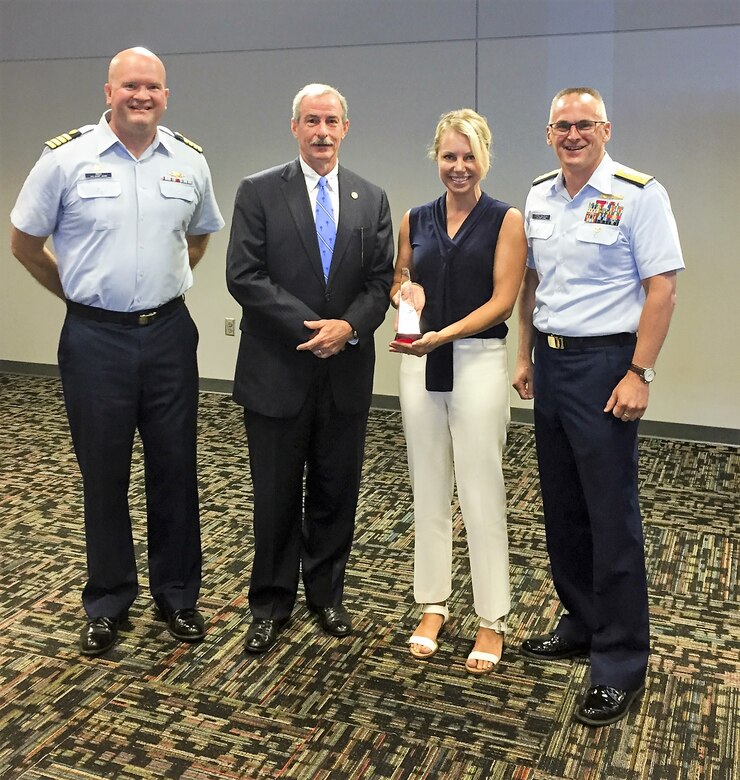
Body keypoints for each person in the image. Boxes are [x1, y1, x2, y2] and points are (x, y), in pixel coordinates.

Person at [10, 47, 224, 656]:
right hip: (93, 339)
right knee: (103, 473)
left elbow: (200, 235)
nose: (142, 96)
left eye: (152, 87)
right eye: (130, 85)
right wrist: (76, 296)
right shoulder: (65, 159)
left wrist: (166, 285)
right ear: (108, 91)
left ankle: (178, 595)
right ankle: (107, 600)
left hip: (168, 335)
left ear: (165, 94)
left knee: (175, 470)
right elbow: (24, 242)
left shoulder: (189, 160)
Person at [513, 87, 684, 725]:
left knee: (612, 516)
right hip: (554, 364)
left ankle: (619, 660)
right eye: (563, 126)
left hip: (609, 366)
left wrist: (640, 372)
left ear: (605, 129)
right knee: (563, 509)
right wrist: (527, 356)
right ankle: (581, 623)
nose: (574, 134)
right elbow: (533, 284)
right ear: (549, 132)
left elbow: (661, 289)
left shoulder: (640, 194)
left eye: (585, 124)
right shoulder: (538, 195)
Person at [226, 83, 394, 655]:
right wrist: (313, 327)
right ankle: (270, 603)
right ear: (294, 127)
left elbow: (379, 283)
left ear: (346, 128)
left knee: (334, 489)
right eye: (311, 121)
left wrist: (346, 328)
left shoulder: (371, 199)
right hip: (278, 371)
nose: (322, 131)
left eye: (331, 121)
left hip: (344, 372)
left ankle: (326, 594)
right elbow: (243, 275)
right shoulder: (257, 191)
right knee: (274, 494)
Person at [389, 109, 527, 674]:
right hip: (417, 364)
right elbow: (399, 277)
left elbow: (503, 300)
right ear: (436, 159)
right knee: (427, 484)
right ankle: (432, 605)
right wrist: (407, 289)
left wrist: (444, 333)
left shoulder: (506, 219)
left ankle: (492, 618)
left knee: (481, 488)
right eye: (449, 156)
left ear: (485, 158)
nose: (459, 167)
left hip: (477, 361)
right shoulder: (414, 218)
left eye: (469, 156)